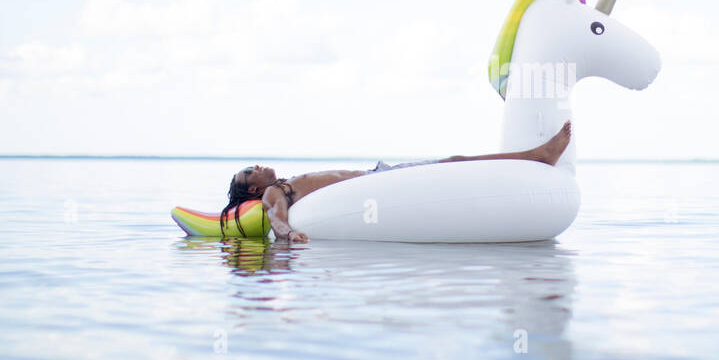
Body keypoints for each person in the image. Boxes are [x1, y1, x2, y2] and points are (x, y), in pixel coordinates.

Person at [220, 121, 572, 242]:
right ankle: (537, 155)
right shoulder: (272, 192)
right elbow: (275, 214)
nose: (256, 166)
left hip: (377, 178)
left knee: (455, 162)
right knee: (455, 162)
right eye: (249, 171)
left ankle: (535, 155)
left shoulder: (284, 182)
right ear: (252, 189)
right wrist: (286, 235)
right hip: (380, 183)